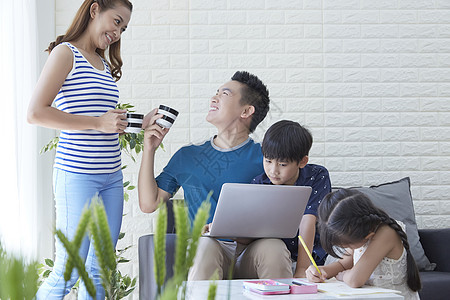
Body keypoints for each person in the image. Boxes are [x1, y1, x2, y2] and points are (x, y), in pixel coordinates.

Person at [138, 71, 290, 280]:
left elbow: (281, 211)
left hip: (251, 252)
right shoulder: (188, 156)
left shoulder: (266, 159)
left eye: (224, 94)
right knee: (204, 246)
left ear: (246, 111)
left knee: (274, 247)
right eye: (216, 93)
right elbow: (149, 203)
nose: (214, 98)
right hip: (206, 250)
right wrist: (149, 150)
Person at [27, 0, 132, 299]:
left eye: (123, 28)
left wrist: (132, 121)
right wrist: (99, 124)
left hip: (111, 176)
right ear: (95, 9)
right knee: (69, 270)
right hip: (77, 175)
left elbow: (100, 117)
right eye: (116, 21)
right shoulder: (65, 53)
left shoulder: (101, 63)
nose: (118, 32)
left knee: (100, 271)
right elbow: (35, 113)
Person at [306, 189, 421, 299]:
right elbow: (343, 264)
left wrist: (343, 276)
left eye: (348, 245)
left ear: (367, 235)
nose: (347, 248)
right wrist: (322, 271)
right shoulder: (360, 232)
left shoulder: (386, 233)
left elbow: (355, 280)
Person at [251, 120, 331, 278]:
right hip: (275, 254)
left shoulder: (317, 176)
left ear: (302, 162)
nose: (273, 171)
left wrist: (302, 268)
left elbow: (308, 221)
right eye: (268, 161)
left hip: (312, 253)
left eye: (282, 164)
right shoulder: (259, 184)